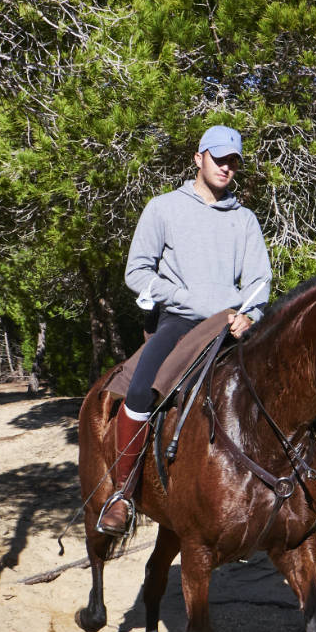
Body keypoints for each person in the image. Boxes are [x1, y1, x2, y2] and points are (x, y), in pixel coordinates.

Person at [98, 124, 272, 533]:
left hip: (231, 327)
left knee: (274, 395)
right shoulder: (163, 209)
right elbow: (137, 271)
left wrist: (252, 316)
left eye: (234, 161)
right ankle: (122, 495)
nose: (226, 168)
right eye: (219, 158)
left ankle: (284, 502)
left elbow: (259, 283)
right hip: (179, 322)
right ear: (198, 158)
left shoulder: (245, 220)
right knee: (140, 391)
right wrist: (178, 295)